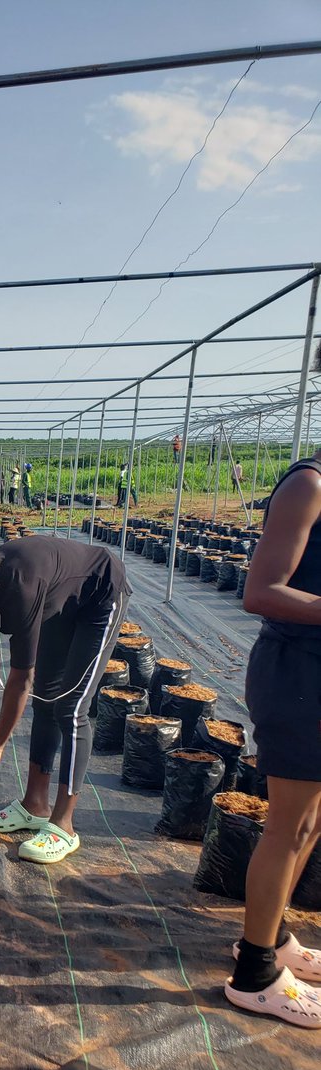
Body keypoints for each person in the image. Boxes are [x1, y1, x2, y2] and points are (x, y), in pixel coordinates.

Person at [0, 536, 129, 864]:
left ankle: (64, 826)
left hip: (101, 594)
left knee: (71, 708)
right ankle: (35, 805)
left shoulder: (19, 591)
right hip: (60, 600)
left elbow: (20, 679)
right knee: (46, 699)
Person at [225, 427, 321, 1028]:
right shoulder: (309, 485)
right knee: (288, 823)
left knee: (311, 819)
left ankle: (275, 935)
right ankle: (256, 971)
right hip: (298, 675)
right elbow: (261, 591)